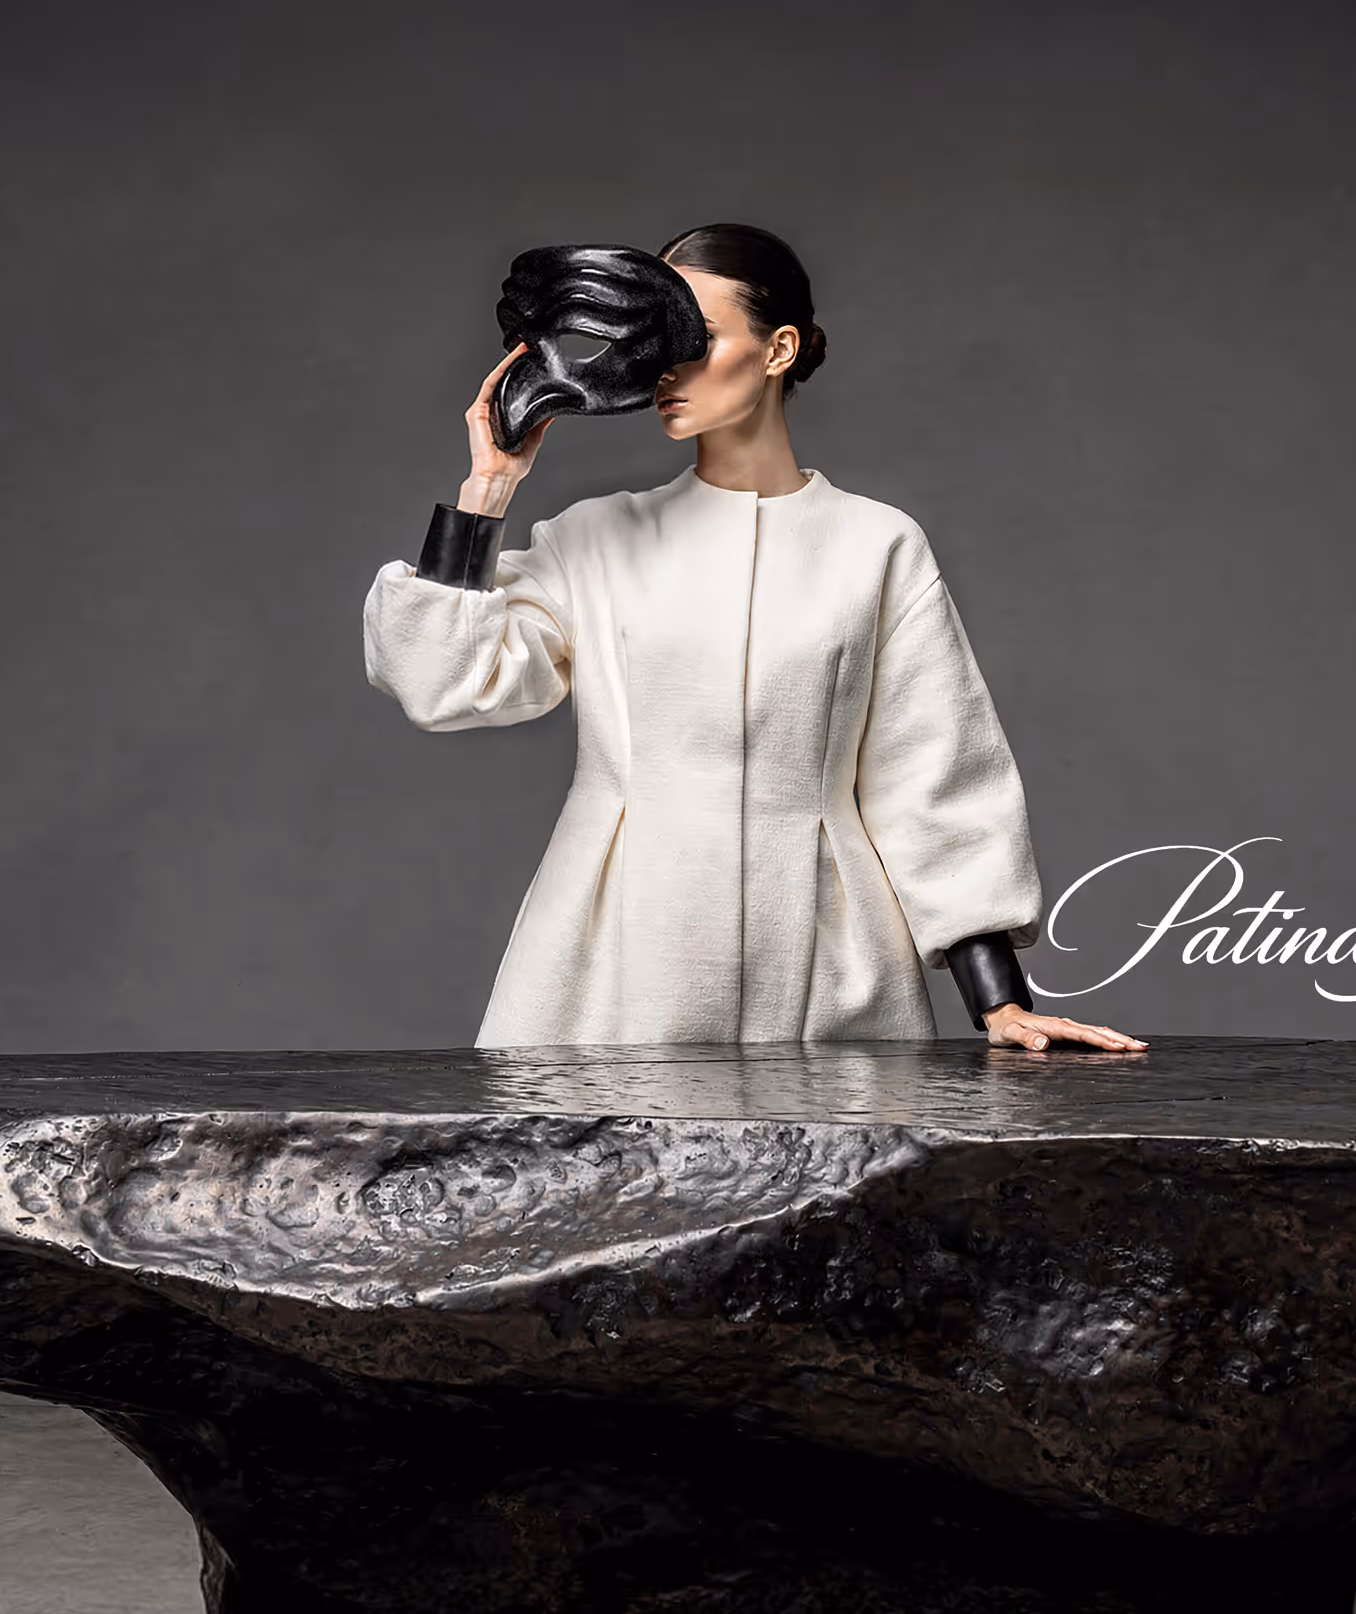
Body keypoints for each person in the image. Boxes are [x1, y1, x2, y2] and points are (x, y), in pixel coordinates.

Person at [363, 223, 1144, 1054]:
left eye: (696, 337)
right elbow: (440, 681)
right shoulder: (594, 539)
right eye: (656, 339)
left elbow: (935, 770)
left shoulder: (875, 545)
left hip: (831, 969)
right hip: (612, 966)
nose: (667, 367)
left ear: (779, 349)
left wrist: (1002, 1003)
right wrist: (488, 487)